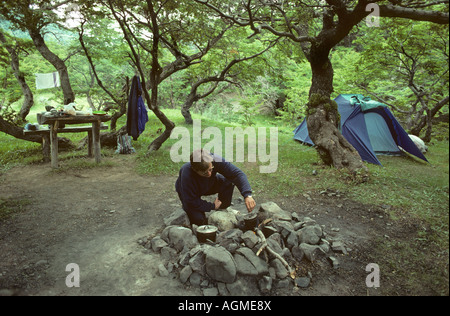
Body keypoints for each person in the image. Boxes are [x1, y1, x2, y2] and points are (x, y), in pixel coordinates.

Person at [175, 149, 256, 226]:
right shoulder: (187, 173)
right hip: (189, 192)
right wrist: (212, 206)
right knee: (199, 221)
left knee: (228, 181)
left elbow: (237, 174)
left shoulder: (215, 159)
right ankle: (192, 213)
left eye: (211, 169)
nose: (209, 174)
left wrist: (247, 195)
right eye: (205, 173)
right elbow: (190, 200)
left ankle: (222, 209)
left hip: (208, 184)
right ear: (194, 170)